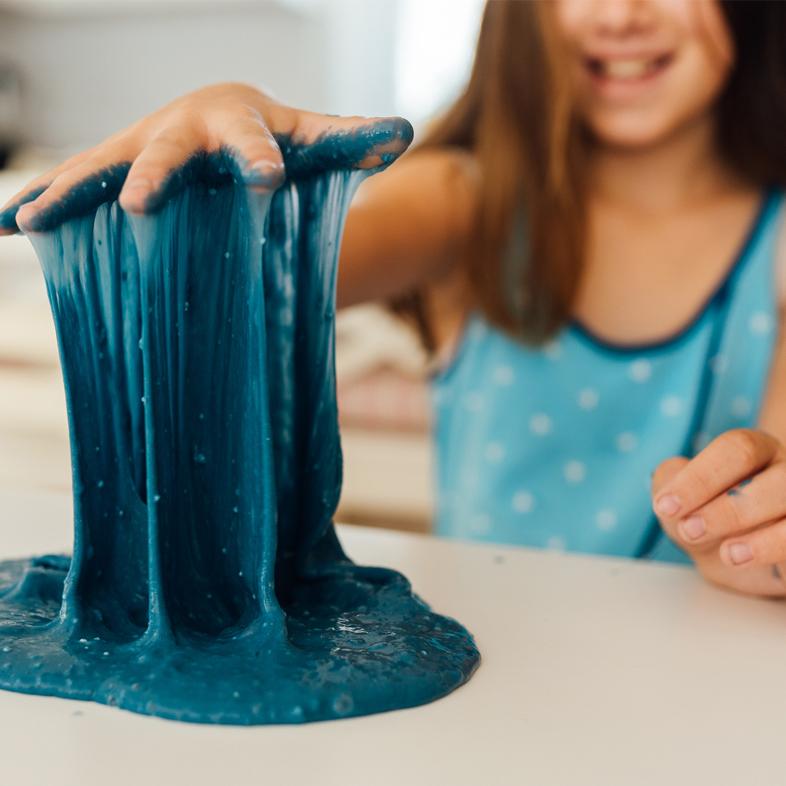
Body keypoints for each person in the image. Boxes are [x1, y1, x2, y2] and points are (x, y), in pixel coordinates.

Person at [3, 0, 786, 597]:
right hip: (493, 680)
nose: (619, 15)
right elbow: (261, 264)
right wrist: (226, 126)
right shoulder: (465, 202)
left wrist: (756, 539)